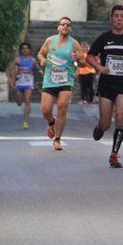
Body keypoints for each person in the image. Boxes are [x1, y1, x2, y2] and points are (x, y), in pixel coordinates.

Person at [87, 5, 123, 168]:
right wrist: (99, 67)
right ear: (111, 19)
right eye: (116, 16)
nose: (119, 19)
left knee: (121, 115)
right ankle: (99, 128)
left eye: (122, 16)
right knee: (106, 124)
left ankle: (114, 155)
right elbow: (90, 56)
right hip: (106, 85)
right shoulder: (104, 38)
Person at [38, 17, 83, 151]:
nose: (65, 27)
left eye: (68, 25)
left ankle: (57, 139)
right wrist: (42, 60)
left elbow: (82, 61)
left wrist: (78, 59)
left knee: (62, 107)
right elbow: (40, 53)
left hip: (66, 79)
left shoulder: (74, 44)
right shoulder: (49, 41)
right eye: (63, 24)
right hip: (49, 79)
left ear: (70, 29)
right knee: (45, 110)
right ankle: (51, 121)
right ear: (58, 27)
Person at [7, 42, 39, 129]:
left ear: (29, 50)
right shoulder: (18, 60)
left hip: (28, 82)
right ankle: (18, 98)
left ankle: (25, 121)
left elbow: (38, 69)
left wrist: (39, 71)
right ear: (21, 50)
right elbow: (10, 68)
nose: (25, 50)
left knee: (28, 101)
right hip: (19, 82)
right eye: (23, 48)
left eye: (27, 48)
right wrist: (9, 77)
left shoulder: (33, 60)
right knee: (19, 102)